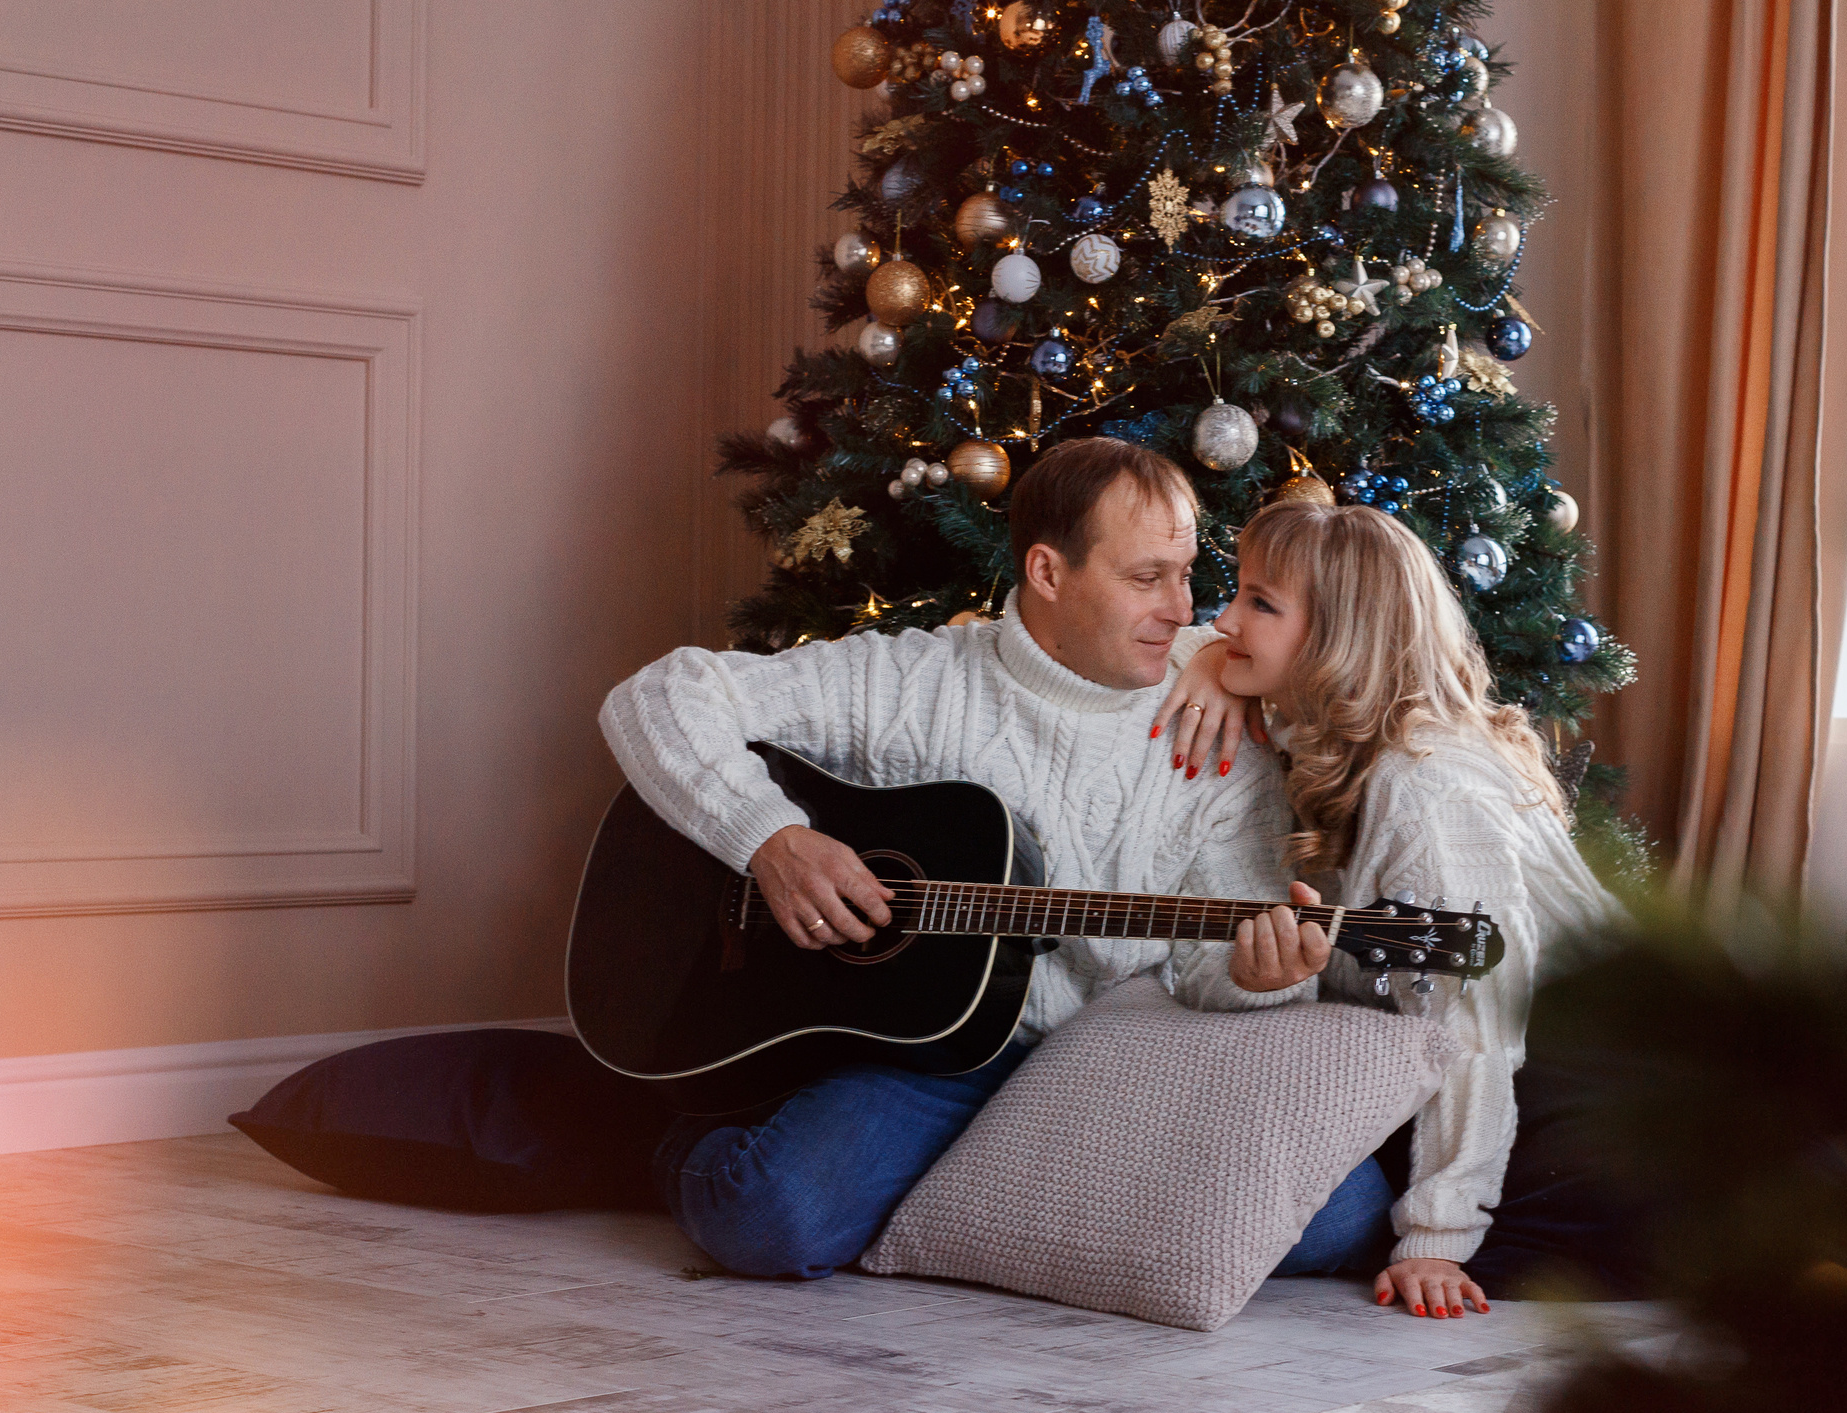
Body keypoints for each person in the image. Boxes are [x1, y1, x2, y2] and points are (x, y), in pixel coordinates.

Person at [594, 438, 1345, 1279]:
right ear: (1049, 573)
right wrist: (770, 837)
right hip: (930, 1060)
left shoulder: (1218, 723)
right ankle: (673, 1120)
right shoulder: (917, 680)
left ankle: (921, 1195)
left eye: (1185, 573)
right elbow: (658, 695)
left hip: (1100, 1063)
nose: (1184, 610)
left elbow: (1211, 971)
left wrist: (1258, 974)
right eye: (1146, 579)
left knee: (1336, 1221)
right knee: (769, 1216)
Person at [1157, 501, 1625, 1320]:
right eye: (1236, 593)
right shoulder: (1326, 724)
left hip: (1579, 1076)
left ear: (1343, 639)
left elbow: (1474, 1033)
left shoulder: (1426, 792)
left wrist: (1437, 1239)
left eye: (1260, 604)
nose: (1225, 616)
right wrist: (1203, 658)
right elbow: (1187, 641)